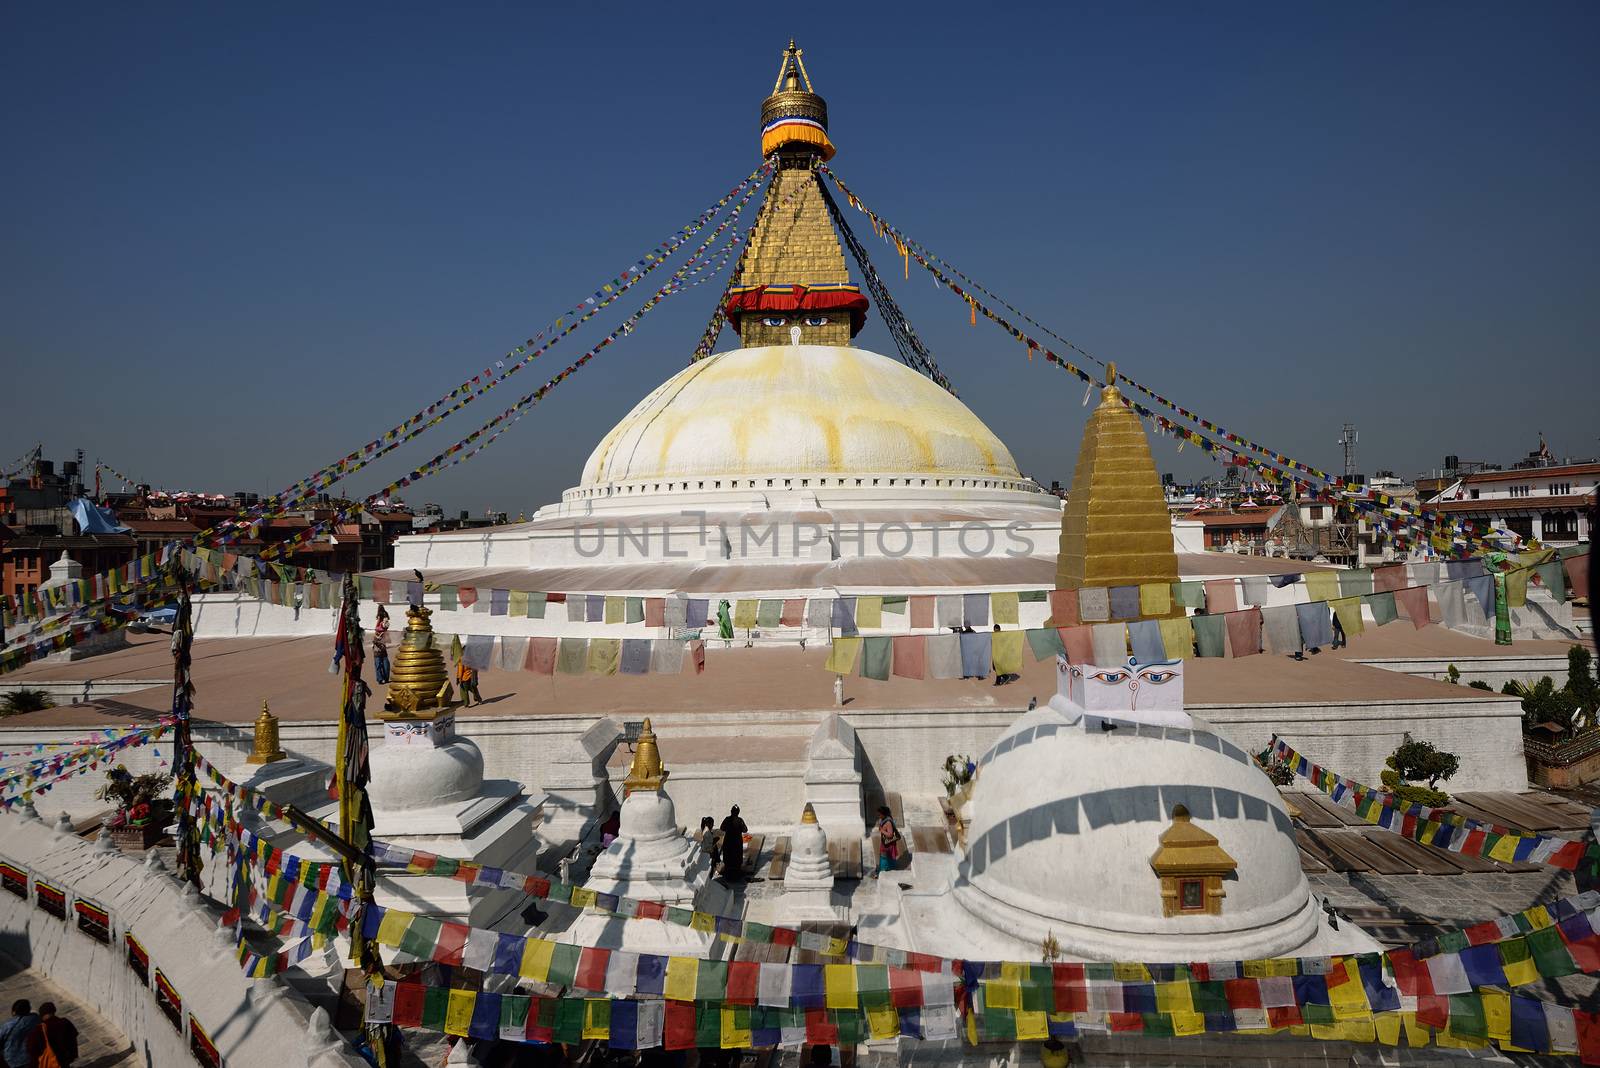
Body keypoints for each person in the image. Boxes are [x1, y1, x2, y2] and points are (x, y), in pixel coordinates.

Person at [25, 1003, 75, 1068]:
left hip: (49, 1063)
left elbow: (31, 1049)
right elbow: (73, 1040)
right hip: (64, 1060)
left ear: (42, 1015)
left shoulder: (39, 1030)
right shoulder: (65, 1022)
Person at [0, 999, 38, 1068]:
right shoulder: (36, 1019)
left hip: (11, 1061)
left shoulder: (8, 1025)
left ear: (14, 1012)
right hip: (30, 1059)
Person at [719, 805, 747, 880]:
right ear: (738, 812)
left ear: (731, 812)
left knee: (728, 857)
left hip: (728, 841)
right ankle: (736, 873)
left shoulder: (727, 819)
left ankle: (728, 873)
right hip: (737, 842)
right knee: (737, 857)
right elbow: (745, 830)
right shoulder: (740, 820)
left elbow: (722, 828)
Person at [874, 805, 902, 878]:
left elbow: (890, 835)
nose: (878, 815)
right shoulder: (884, 819)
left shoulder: (888, 822)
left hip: (888, 844)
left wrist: (882, 830)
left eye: (880, 814)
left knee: (885, 858)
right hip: (885, 842)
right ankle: (885, 871)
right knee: (885, 858)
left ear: (884, 814)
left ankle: (884, 873)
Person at [373, 605, 391, 685]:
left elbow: (377, 628)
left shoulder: (380, 617)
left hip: (378, 642)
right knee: (385, 660)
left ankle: (380, 678)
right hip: (383, 642)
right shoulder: (386, 617)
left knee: (378, 661)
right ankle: (386, 677)